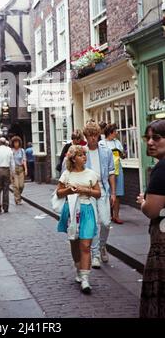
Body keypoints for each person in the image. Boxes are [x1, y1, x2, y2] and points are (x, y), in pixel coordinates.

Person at [57, 145, 101, 293]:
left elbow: (98, 193)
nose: (84, 157)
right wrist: (69, 190)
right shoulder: (66, 174)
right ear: (74, 158)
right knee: (75, 243)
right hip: (71, 210)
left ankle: (85, 279)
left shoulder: (91, 174)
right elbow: (58, 193)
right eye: (81, 155)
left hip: (87, 210)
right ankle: (78, 269)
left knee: (86, 244)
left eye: (84, 154)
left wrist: (85, 190)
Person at [137, 120, 165, 318]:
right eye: (148, 138)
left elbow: (153, 210)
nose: (150, 142)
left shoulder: (161, 169)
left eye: (157, 137)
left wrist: (142, 202)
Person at [83, 121, 116, 269]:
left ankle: (103, 245)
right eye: (90, 136)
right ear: (86, 136)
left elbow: (111, 173)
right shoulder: (82, 152)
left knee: (106, 222)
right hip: (87, 192)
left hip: (103, 190)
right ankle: (95, 254)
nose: (93, 138)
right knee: (94, 224)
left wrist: (113, 193)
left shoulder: (106, 151)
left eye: (95, 135)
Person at [104, 123, 125, 224]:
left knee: (118, 193)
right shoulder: (102, 143)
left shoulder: (117, 142)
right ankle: (109, 215)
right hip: (107, 170)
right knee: (108, 193)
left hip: (118, 169)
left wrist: (120, 153)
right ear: (110, 133)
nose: (116, 133)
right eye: (115, 131)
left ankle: (116, 216)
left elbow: (123, 156)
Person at [0, 137, 15, 213]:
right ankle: (6, 206)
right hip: (6, 170)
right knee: (6, 189)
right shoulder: (9, 150)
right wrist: (12, 172)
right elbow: (12, 163)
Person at [11, 136, 27, 205]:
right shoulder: (11, 151)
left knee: (21, 185)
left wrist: (26, 169)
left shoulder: (22, 150)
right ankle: (17, 199)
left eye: (17, 142)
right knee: (16, 186)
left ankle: (18, 195)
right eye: (14, 142)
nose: (16, 144)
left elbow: (24, 160)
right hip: (14, 169)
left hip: (20, 168)